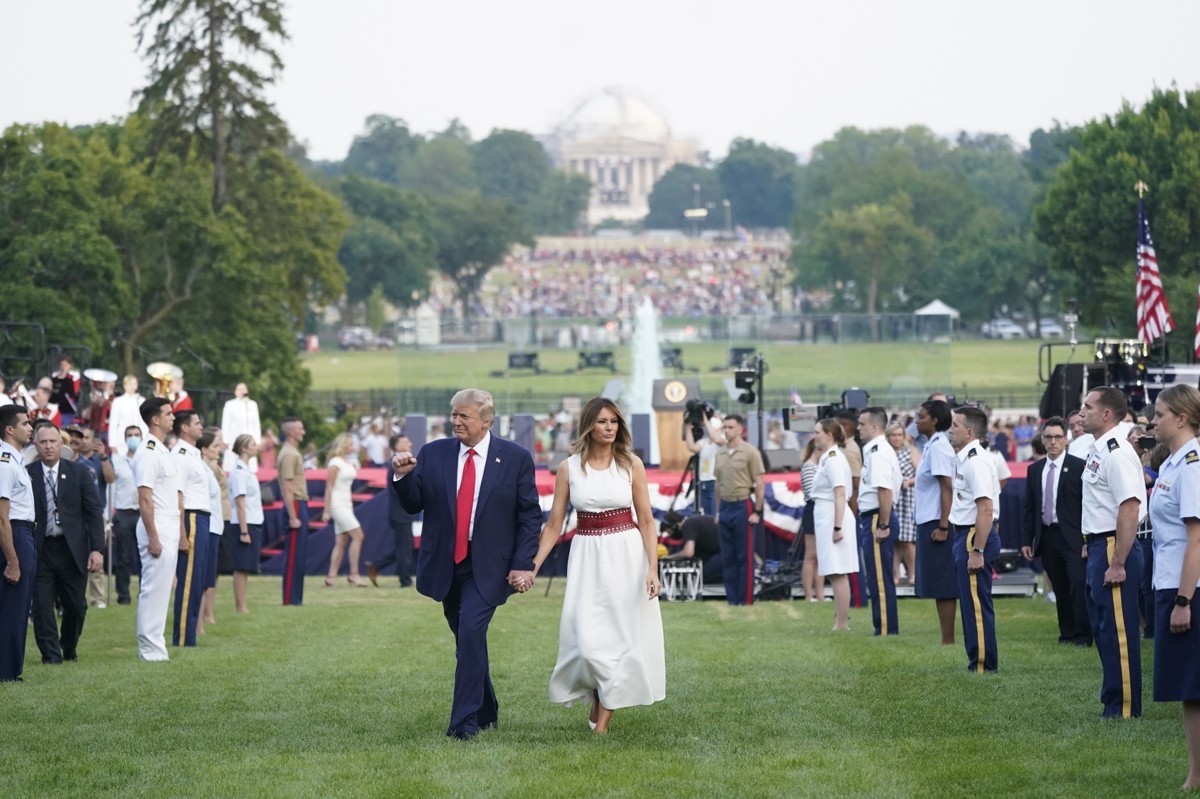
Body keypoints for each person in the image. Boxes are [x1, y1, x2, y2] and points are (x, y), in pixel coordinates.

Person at [390, 388, 542, 741]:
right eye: (454, 415)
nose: (456, 421)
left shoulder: (515, 458)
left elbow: (529, 515)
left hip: (489, 566)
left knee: (472, 633)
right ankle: (487, 709)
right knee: (467, 640)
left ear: (487, 421)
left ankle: (463, 724)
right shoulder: (434, 453)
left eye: (465, 416)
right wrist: (404, 476)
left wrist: (524, 563)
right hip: (446, 564)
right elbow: (414, 504)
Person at [532, 396, 665, 734]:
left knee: (621, 638)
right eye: (603, 422)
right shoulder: (569, 468)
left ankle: (602, 723)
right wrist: (532, 566)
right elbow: (554, 524)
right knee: (586, 640)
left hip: (626, 555)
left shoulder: (631, 464)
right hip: (586, 557)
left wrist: (653, 568)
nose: (609, 428)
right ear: (589, 426)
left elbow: (647, 521)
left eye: (614, 422)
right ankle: (600, 694)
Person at [1079, 386, 1148, 718]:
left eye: (1088, 407)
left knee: (1118, 631)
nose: (1082, 412)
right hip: (1098, 544)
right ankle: (1113, 700)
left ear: (1106, 414)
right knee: (1104, 628)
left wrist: (1118, 561)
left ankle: (1124, 708)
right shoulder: (1099, 449)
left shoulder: (1117, 451)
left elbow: (1129, 508)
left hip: (1112, 546)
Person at [1146, 384, 1200, 790]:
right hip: (1170, 582)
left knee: (1192, 684)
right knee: (1188, 686)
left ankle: (1197, 775)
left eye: (1160, 413)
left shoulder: (1193, 465)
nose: (1153, 420)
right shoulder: (1172, 464)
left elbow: (1196, 539)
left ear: (1181, 418)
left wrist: (1183, 599)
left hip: (1188, 588)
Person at [27, 423, 105, 664]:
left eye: (53, 441)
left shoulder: (79, 473)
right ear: (36, 446)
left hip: (73, 549)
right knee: (41, 606)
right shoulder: (27, 473)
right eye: (43, 442)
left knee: (76, 605)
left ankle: (68, 648)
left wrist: (97, 549)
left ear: (62, 445)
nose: (48, 446)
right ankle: (51, 656)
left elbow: (93, 511)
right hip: (41, 548)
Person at [1021, 416, 1090, 646]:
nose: (1053, 442)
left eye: (1057, 437)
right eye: (1048, 437)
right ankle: (1067, 633)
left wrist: (1087, 538)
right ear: (1042, 439)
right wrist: (1026, 539)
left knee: (1079, 583)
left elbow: (1087, 505)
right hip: (1047, 536)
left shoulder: (1079, 467)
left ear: (1066, 438)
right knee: (1059, 586)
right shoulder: (1034, 469)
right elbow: (1030, 507)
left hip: (1073, 536)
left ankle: (1083, 634)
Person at [948, 406, 1002, 672]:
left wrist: (978, 549)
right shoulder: (966, 458)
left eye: (955, 425)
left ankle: (982, 663)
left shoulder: (976, 461)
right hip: (966, 535)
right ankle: (977, 659)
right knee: (970, 604)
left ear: (969, 432)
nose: (950, 429)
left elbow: (985, 509)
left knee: (976, 605)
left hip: (972, 536)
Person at [133, 397, 183, 661]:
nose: (173, 418)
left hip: (168, 521)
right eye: (168, 413)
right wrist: (153, 536)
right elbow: (144, 497)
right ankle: (149, 649)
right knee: (153, 588)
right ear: (155, 419)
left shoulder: (162, 449)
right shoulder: (149, 451)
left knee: (162, 590)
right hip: (158, 522)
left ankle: (156, 646)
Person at [913, 400, 958, 645]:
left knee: (943, 583)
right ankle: (945, 637)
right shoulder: (932, 445)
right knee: (937, 582)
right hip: (929, 519)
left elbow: (946, 486)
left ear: (934, 421)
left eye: (921, 416)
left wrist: (943, 526)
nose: (917, 420)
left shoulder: (940, 447)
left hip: (937, 521)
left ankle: (948, 639)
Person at [809, 419, 859, 630]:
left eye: (818, 432)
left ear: (829, 435)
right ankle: (840, 616)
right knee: (833, 568)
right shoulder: (827, 458)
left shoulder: (833, 459)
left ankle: (842, 623)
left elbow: (840, 493)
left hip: (833, 514)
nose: (815, 436)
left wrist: (837, 527)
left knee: (837, 569)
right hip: (827, 513)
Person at [857, 407, 901, 636]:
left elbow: (884, 491)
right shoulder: (875, 450)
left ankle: (885, 628)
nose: (858, 428)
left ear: (874, 426)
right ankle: (883, 625)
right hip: (874, 516)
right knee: (876, 577)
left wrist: (883, 525)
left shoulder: (878, 452)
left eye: (862, 424)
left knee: (880, 580)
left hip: (877, 517)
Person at [713, 414, 765, 606]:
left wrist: (757, 511)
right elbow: (718, 484)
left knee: (745, 556)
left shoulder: (750, 452)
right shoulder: (720, 454)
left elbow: (760, 483)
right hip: (725, 505)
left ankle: (746, 599)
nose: (726, 431)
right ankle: (732, 599)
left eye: (730, 427)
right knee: (728, 556)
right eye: (724, 427)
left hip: (743, 504)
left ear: (740, 429)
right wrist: (718, 511)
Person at [0, 406, 36, 681]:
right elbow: (2, 517)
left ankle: (11, 668)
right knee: (13, 604)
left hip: (23, 532)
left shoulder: (17, 459)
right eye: (25, 423)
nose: (30, 427)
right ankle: (7, 671)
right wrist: (13, 560)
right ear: (9, 429)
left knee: (19, 605)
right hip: (15, 533)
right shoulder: (4, 461)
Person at [170, 411, 210, 647]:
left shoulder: (193, 454)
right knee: (188, 582)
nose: (200, 426)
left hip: (201, 518)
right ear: (184, 428)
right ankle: (183, 638)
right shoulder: (181, 455)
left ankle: (189, 636)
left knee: (196, 581)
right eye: (196, 422)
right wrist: (183, 534)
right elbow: (178, 494)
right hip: (191, 518)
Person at [366, 434, 415, 587]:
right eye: (405, 441)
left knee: (405, 547)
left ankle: (376, 565)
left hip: (403, 512)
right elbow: (399, 490)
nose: (410, 443)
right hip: (400, 512)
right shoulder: (397, 465)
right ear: (397, 446)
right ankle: (404, 580)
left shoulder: (401, 463)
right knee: (403, 548)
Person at [322, 433, 369, 587]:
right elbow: (329, 486)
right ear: (343, 446)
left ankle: (331, 576)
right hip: (337, 503)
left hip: (346, 503)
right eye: (350, 445)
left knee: (341, 541)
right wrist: (326, 510)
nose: (353, 447)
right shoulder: (335, 463)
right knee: (358, 535)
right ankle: (354, 574)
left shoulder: (349, 461)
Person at [229, 434, 264, 614]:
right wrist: (244, 531)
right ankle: (240, 605)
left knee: (247, 566)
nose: (256, 446)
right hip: (244, 523)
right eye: (252, 444)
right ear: (243, 448)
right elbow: (240, 502)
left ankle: (243, 604)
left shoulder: (247, 470)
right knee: (241, 566)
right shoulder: (239, 472)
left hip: (253, 520)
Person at [277, 417, 309, 606]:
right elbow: (287, 487)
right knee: (293, 557)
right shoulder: (289, 454)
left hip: (299, 503)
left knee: (299, 556)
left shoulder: (292, 452)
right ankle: (290, 598)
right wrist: (293, 516)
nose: (303, 432)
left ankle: (296, 598)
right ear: (290, 432)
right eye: (299, 428)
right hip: (295, 504)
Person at [197, 429, 226, 632]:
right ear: (204, 450)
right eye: (215, 446)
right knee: (201, 578)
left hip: (214, 527)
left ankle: (199, 622)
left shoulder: (209, 469)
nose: (219, 450)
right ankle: (197, 624)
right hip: (207, 527)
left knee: (207, 578)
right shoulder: (202, 470)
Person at [110, 425, 143, 605]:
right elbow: (112, 488)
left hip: (143, 512)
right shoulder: (117, 461)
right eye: (130, 435)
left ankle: (144, 593)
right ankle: (123, 595)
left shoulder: (146, 460)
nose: (133, 438)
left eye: (136, 435)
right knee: (123, 556)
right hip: (123, 512)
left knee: (144, 556)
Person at [887, 422, 919, 585]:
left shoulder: (911, 451)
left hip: (907, 498)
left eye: (900, 434)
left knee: (907, 539)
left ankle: (913, 573)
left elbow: (921, 474)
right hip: (892, 498)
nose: (897, 438)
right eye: (894, 435)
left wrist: (908, 482)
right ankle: (896, 575)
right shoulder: (886, 453)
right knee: (894, 540)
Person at [660, 510, 722, 584]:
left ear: (675, 525)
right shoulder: (693, 521)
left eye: (670, 532)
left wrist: (669, 557)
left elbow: (688, 553)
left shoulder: (688, 525)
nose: (671, 535)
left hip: (725, 552)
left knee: (699, 577)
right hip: (718, 550)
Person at [684, 413, 724, 515]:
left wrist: (706, 421)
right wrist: (688, 428)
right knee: (707, 513)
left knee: (715, 512)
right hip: (704, 481)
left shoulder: (723, 441)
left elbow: (717, 439)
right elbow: (692, 447)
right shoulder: (704, 442)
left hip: (715, 482)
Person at [799, 438, 821, 601]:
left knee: (821, 556)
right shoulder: (809, 466)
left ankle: (820, 594)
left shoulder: (821, 466)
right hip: (813, 509)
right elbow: (810, 492)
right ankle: (808, 594)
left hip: (821, 509)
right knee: (811, 555)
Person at [220, 382, 261, 471]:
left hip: (250, 437)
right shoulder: (230, 404)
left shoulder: (252, 404)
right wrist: (225, 439)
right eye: (240, 389)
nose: (242, 391)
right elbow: (226, 423)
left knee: (250, 464)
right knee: (234, 463)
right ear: (235, 392)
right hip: (234, 437)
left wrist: (257, 440)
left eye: (244, 389)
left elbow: (256, 423)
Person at [108, 375, 147, 445]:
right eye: (130, 384)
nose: (132, 386)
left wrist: (145, 437)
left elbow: (144, 422)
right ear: (125, 385)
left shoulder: (141, 400)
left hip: (139, 437)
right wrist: (112, 443)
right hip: (122, 439)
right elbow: (113, 423)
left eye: (134, 384)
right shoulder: (118, 401)